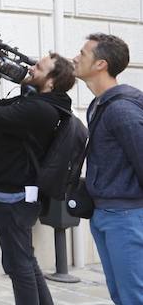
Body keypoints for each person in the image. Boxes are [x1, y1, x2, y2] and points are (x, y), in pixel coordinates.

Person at [0, 51, 75, 305]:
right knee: (24, 260)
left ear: (51, 81)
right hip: (13, 194)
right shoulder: (38, 103)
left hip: (14, 198)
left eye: (38, 67)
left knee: (18, 266)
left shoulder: (41, 109)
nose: (30, 69)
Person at [73, 33, 143, 304]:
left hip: (126, 216)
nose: (76, 58)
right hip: (105, 213)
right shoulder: (99, 104)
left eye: (83, 53)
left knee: (133, 296)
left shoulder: (122, 110)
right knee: (120, 294)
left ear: (101, 64)